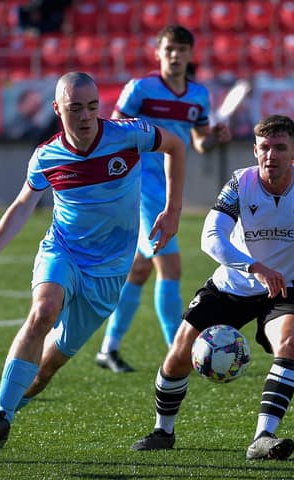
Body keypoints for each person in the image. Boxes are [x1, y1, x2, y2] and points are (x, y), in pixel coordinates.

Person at [0, 71, 186, 462]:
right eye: (75, 108)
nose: (85, 116)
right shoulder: (47, 155)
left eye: (92, 106)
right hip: (63, 251)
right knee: (43, 311)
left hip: (109, 273)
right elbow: (21, 207)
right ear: (57, 109)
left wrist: (172, 210)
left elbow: (176, 146)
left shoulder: (128, 134)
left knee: (45, 372)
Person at [131, 115, 294, 461]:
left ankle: (263, 437)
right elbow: (211, 238)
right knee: (179, 351)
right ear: (255, 150)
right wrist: (254, 266)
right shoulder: (240, 185)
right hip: (232, 285)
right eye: (265, 148)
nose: (272, 155)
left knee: (291, 342)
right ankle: (163, 430)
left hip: (288, 289)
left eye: (280, 148)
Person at [94, 24, 232, 373]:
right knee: (170, 267)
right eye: (169, 49)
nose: (175, 55)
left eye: (181, 49)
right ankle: (179, 349)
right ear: (158, 52)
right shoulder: (141, 89)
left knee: (140, 271)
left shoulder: (199, 96)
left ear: (190, 54)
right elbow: (113, 131)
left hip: (169, 187)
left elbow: (199, 143)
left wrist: (216, 137)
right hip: (138, 187)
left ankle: (108, 349)